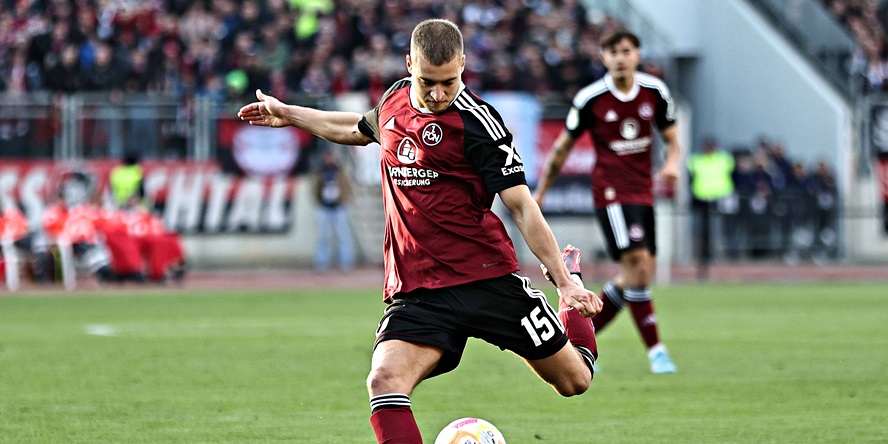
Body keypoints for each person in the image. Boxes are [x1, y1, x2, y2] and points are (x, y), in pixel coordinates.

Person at [239, 18, 601, 444]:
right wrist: (291, 115)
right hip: (419, 290)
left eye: (450, 81)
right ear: (409, 63)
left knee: (574, 380)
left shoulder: (480, 124)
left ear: (463, 65)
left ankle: (573, 287)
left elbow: (521, 205)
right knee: (384, 379)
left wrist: (562, 281)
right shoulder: (393, 101)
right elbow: (355, 129)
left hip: (486, 279)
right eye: (427, 81)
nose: (438, 93)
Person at [533, 29, 681, 374]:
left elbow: (672, 139)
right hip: (612, 193)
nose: (619, 57)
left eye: (626, 50)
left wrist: (672, 164)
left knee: (637, 273)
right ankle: (657, 351)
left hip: (643, 191)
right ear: (603, 58)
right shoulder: (590, 98)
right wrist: (539, 192)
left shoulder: (655, 92)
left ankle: (580, 342)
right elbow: (561, 149)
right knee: (639, 269)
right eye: (612, 52)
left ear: (637, 54)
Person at [688, 137, 735, 279]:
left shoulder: (724, 159)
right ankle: (704, 262)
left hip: (720, 199)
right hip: (702, 200)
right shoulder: (696, 160)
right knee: (704, 235)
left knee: (723, 231)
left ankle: (723, 258)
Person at [313, 149, 355, 272]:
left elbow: (348, 187)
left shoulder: (340, 171)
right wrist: (319, 200)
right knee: (323, 237)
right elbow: (315, 188)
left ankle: (346, 262)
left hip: (339, 207)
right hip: (325, 207)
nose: (329, 160)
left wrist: (343, 200)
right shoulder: (321, 171)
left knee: (343, 236)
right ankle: (322, 263)